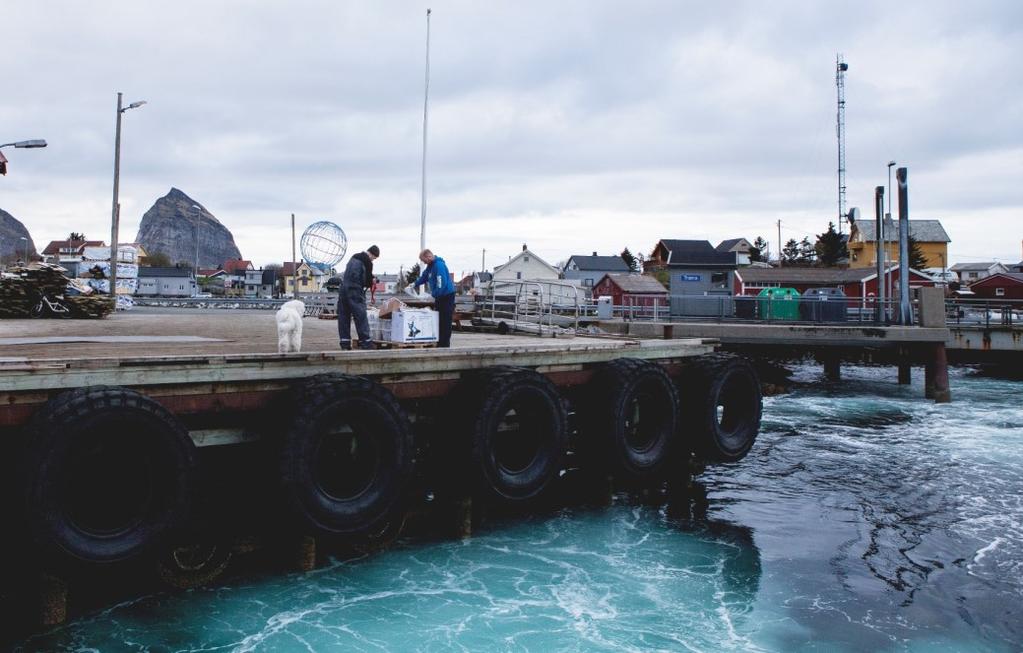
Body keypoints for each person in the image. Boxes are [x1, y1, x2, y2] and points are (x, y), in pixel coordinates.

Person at [338, 245, 379, 350]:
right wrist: (372, 281)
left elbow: (353, 273)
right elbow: (367, 280)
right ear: (372, 254)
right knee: (360, 316)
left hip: (343, 289)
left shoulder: (354, 257)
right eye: (374, 258)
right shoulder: (367, 262)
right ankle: (366, 342)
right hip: (355, 290)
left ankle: (345, 343)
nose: (373, 260)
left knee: (344, 316)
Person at [414, 248, 456, 348]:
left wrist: (434, 294)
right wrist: (414, 284)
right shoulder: (430, 266)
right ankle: (440, 342)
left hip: (446, 296)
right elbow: (424, 277)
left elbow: (441, 283)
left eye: (424, 260)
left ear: (429, 256)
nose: (424, 262)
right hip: (440, 296)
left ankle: (444, 344)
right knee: (439, 320)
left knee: (445, 321)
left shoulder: (439, 265)